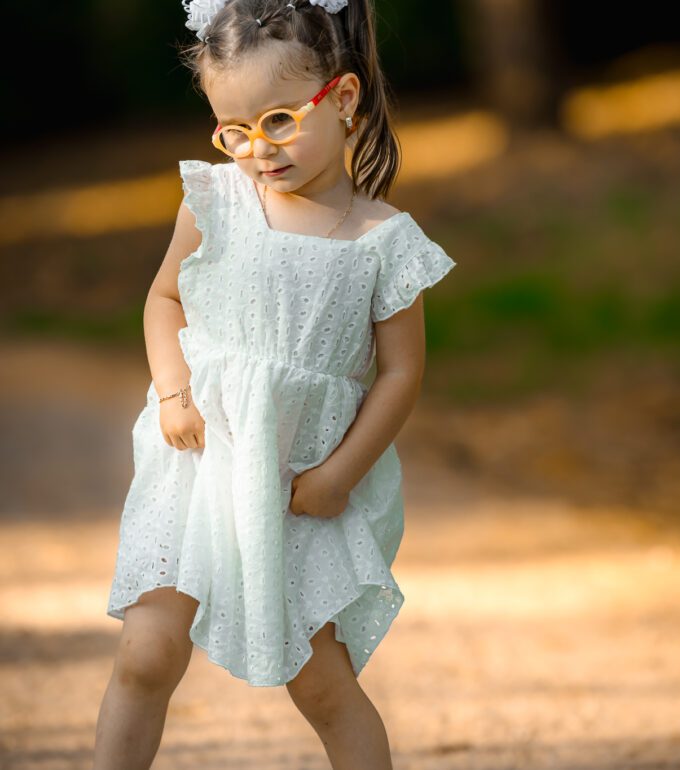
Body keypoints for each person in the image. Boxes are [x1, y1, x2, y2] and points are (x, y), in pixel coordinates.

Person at [93, 0, 457, 767]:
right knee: (147, 652)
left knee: (321, 682)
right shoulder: (217, 202)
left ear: (345, 99)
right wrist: (171, 389)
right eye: (234, 130)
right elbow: (165, 299)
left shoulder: (384, 242)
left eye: (280, 120)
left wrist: (338, 476)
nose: (257, 149)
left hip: (299, 483)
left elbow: (402, 373)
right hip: (196, 465)